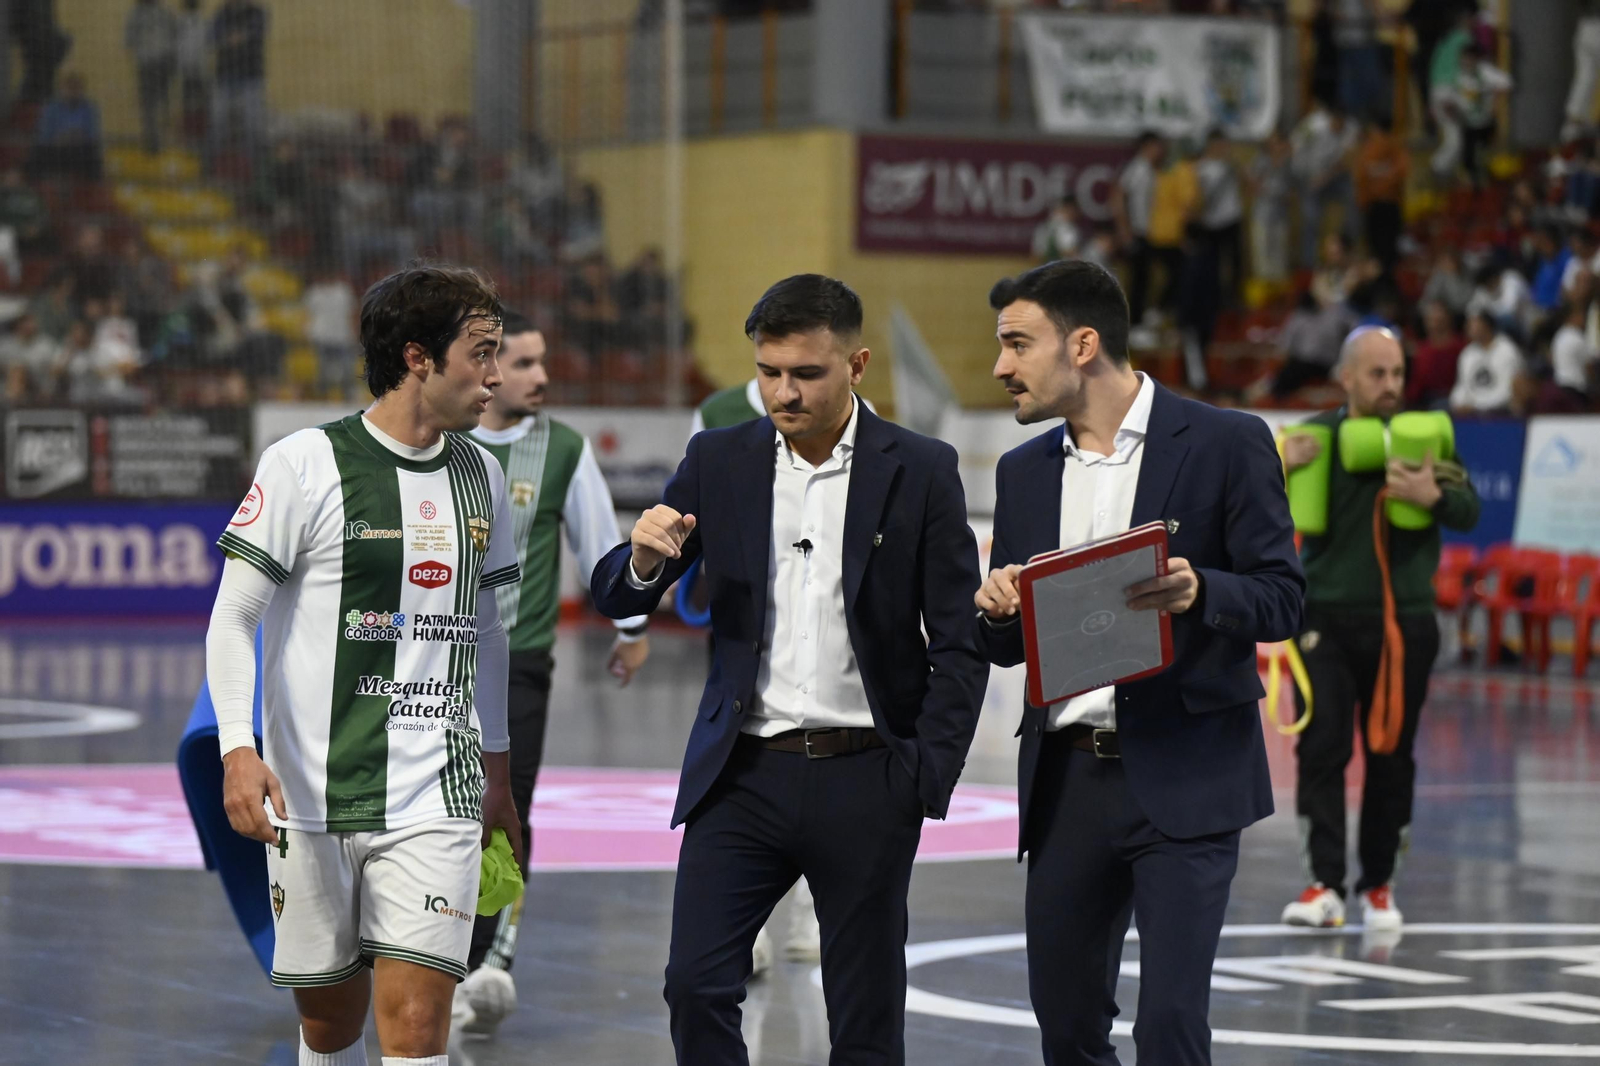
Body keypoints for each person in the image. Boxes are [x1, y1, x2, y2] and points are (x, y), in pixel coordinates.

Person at [590, 274, 989, 1064]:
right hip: (741, 775)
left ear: (857, 364)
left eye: (806, 373)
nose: (784, 392)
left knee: (865, 1015)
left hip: (870, 776)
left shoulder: (922, 468)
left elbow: (958, 638)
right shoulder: (717, 458)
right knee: (695, 985)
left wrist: (923, 773)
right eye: (769, 372)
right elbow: (617, 591)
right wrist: (642, 562)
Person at [975, 259, 1304, 1065]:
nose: (1000, 367)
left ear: (1083, 344)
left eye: (1017, 344)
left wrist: (1203, 589)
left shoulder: (1227, 442)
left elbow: (1284, 599)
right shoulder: (1022, 472)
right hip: (1067, 782)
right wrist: (995, 611)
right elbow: (1008, 647)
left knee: (1169, 1027)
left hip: (1189, 775)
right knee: (1066, 1028)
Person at [204, 264, 524, 1066]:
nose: (496, 375)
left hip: (438, 790)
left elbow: (487, 632)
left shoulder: (483, 475)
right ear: (418, 357)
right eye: (481, 352)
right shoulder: (302, 464)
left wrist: (497, 771)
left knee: (415, 1026)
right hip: (311, 793)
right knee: (330, 1026)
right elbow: (233, 618)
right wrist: (237, 750)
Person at [454, 313, 653, 1036]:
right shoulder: (441, 441)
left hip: (519, 666)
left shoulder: (564, 449)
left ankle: (488, 960)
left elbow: (600, 545)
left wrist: (631, 628)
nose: (541, 377)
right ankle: (429, 953)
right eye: (525, 363)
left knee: (503, 809)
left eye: (543, 362)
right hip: (430, 667)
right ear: (485, 365)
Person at [1279, 327, 1480, 935]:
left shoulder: (1426, 439)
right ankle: (1324, 886)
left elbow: (1470, 511)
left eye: (1397, 373)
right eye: (1377, 373)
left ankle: (1379, 886)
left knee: (1391, 756)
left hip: (1405, 624)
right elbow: (1249, 506)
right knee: (1322, 750)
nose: (1391, 385)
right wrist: (1276, 466)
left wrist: (1432, 494)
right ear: (1347, 377)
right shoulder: (1313, 436)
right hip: (1324, 620)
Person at [1431, 42, 1511, 188]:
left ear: (1476, 59)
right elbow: (1445, 97)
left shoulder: (1484, 72)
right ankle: (1452, 177)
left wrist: (1495, 102)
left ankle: (1485, 182)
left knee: (1483, 155)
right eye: (1463, 59)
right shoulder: (1457, 74)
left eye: (1469, 59)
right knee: (1463, 153)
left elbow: (1506, 82)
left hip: (1484, 122)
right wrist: (1449, 108)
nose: (1465, 62)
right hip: (1465, 121)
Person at [1292, 101, 1359, 271]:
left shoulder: (1351, 128)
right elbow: (1294, 145)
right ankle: (1308, 264)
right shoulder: (1313, 125)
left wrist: (1325, 177)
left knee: (1354, 197)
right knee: (1311, 218)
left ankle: (1345, 250)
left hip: (1333, 177)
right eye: (1336, 123)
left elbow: (1346, 160)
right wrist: (1305, 177)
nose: (1338, 128)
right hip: (1307, 177)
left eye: (1341, 124)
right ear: (1330, 119)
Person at [1111, 131, 1165, 329]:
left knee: (1146, 276)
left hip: (1150, 231)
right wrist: (1124, 229)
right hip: (1136, 231)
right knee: (1139, 279)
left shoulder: (1150, 170)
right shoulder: (1137, 168)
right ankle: (1135, 324)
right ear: (1147, 146)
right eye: (1157, 146)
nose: (1160, 151)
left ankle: (1144, 317)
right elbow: (1117, 195)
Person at [208, 0, 268, 165]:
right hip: (224, 76)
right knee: (218, 120)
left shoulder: (257, 12)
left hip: (251, 76)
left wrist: (234, 37)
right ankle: (212, 164)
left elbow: (256, 32)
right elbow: (211, 37)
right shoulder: (222, 13)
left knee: (253, 123)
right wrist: (232, 37)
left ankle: (253, 165)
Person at [1353, 115, 1408, 270]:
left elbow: (1361, 176)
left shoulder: (1375, 148)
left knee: (1379, 249)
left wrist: (1366, 197)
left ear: (1376, 128)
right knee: (1387, 249)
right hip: (1387, 205)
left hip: (1380, 204)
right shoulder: (1395, 147)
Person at [124, 0, 177, 154]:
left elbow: (175, 36)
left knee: (161, 103)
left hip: (162, 63)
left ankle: (164, 140)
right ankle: (152, 141)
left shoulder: (164, 11)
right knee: (150, 104)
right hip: (147, 64)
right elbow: (129, 40)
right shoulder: (136, 14)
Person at [29, 72, 102, 181]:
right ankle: (35, 185)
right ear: (62, 89)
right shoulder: (51, 108)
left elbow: (93, 134)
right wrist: (59, 138)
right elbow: (44, 135)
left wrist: (77, 137)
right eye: (70, 88)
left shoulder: (89, 108)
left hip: (79, 150)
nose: (73, 92)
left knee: (93, 154)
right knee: (37, 153)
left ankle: (92, 186)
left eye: (76, 88)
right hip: (56, 149)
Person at [1450, 309, 1523, 413]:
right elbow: (1462, 386)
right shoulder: (1467, 354)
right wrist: (1458, 402)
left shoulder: (1507, 349)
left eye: (1474, 323)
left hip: (1500, 410)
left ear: (1487, 325)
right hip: (1472, 411)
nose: (1469, 328)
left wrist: (1479, 406)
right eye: (1468, 324)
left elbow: (1508, 390)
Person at [1247, 129, 1293, 286]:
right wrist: (1261, 187)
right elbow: (1251, 183)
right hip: (1262, 213)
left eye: (1278, 142)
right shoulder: (1261, 160)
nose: (1276, 146)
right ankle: (1264, 285)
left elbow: (1293, 188)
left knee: (1280, 251)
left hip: (1281, 214)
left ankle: (1279, 285)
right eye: (1272, 142)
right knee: (1262, 251)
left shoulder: (1288, 162)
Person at [1032, 196, 1084, 264]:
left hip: (1049, 266)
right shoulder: (1067, 227)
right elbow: (1068, 251)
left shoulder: (1044, 227)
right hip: (1061, 266)